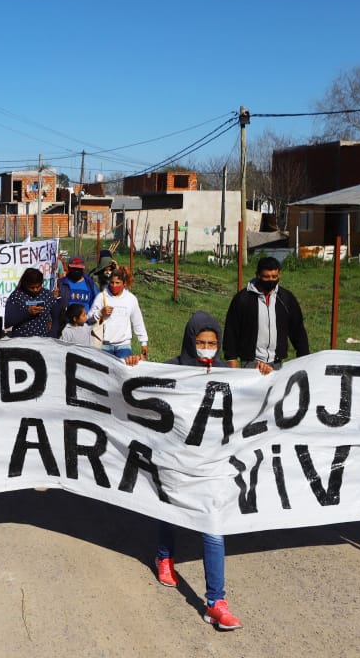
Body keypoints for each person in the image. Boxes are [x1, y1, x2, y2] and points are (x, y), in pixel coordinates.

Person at [155, 310, 242, 630]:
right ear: (191, 341)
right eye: (201, 342)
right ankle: (164, 556)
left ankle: (215, 602)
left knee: (213, 527)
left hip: (211, 466)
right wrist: (134, 367)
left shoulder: (226, 372)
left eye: (213, 343)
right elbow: (138, 389)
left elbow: (253, 398)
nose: (207, 348)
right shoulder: (172, 368)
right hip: (176, 459)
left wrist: (261, 374)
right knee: (168, 509)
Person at [223, 256, 310, 374]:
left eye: (274, 277)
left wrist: (304, 359)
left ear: (279, 275)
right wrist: (231, 359)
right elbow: (231, 331)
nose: (271, 280)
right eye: (266, 277)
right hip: (251, 363)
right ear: (258, 275)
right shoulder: (243, 299)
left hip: (277, 363)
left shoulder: (286, 299)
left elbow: (298, 331)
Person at [88, 267, 149, 363]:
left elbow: (138, 322)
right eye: (112, 282)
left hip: (124, 346)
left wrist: (143, 342)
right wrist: (100, 313)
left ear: (124, 284)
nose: (114, 285)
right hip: (104, 345)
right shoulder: (101, 297)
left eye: (117, 283)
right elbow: (89, 319)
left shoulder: (130, 299)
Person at [5, 268, 62, 338]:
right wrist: (27, 312)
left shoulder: (47, 295)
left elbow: (57, 317)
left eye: (38, 287)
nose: (35, 290)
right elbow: (8, 321)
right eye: (32, 287)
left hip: (43, 341)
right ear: (25, 283)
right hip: (21, 341)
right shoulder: (16, 296)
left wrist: (53, 333)